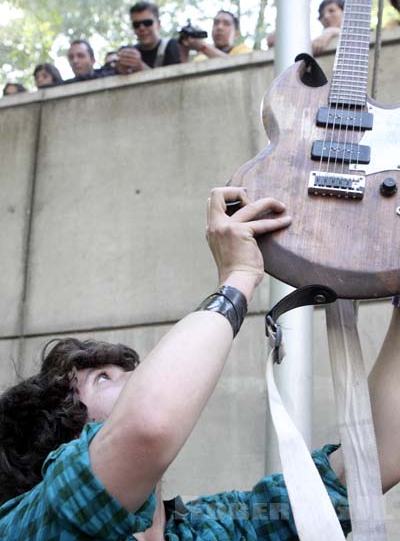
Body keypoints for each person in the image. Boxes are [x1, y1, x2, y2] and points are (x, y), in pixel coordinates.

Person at [0, 187, 399, 539]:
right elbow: (147, 426)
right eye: (103, 379)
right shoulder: (31, 526)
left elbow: (370, 463)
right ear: (62, 448)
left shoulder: (212, 527)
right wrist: (238, 278)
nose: (138, 378)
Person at [116, 1, 182, 74]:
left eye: (147, 23)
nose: (142, 28)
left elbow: (174, 81)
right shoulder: (129, 52)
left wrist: (141, 67)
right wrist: (122, 72)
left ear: (158, 24)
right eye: (136, 25)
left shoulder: (172, 46)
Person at [180, 10, 252, 61]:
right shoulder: (201, 59)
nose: (219, 27)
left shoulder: (244, 51)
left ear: (236, 34)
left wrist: (203, 47)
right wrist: (184, 50)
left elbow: (236, 66)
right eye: (216, 23)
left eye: (226, 23)